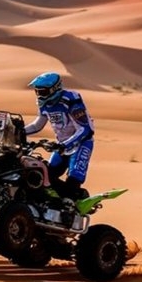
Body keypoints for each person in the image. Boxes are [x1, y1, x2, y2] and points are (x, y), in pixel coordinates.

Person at [24, 71, 95, 201]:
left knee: (73, 181)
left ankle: (76, 197)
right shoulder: (44, 104)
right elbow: (37, 125)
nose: (39, 95)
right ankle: (55, 203)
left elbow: (85, 129)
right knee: (46, 177)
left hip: (81, 145)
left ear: (55, 89)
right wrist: (18, 131)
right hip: (61, 146)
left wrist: (64, 145)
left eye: (43, 92)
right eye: (37, 91)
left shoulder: (70, 100)